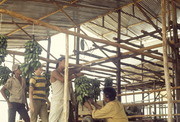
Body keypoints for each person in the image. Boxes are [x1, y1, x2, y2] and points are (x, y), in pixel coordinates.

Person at [49, 56, 83, 122]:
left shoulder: (65, 73)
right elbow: (63, 79)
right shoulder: (54, 72)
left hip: (66, 99)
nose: (66, 63)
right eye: (65, 61)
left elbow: (74, 70)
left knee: (64, 119)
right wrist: (76, 75)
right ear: (59, 62)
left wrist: (80, 68)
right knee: (53, 119)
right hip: (57, 99)